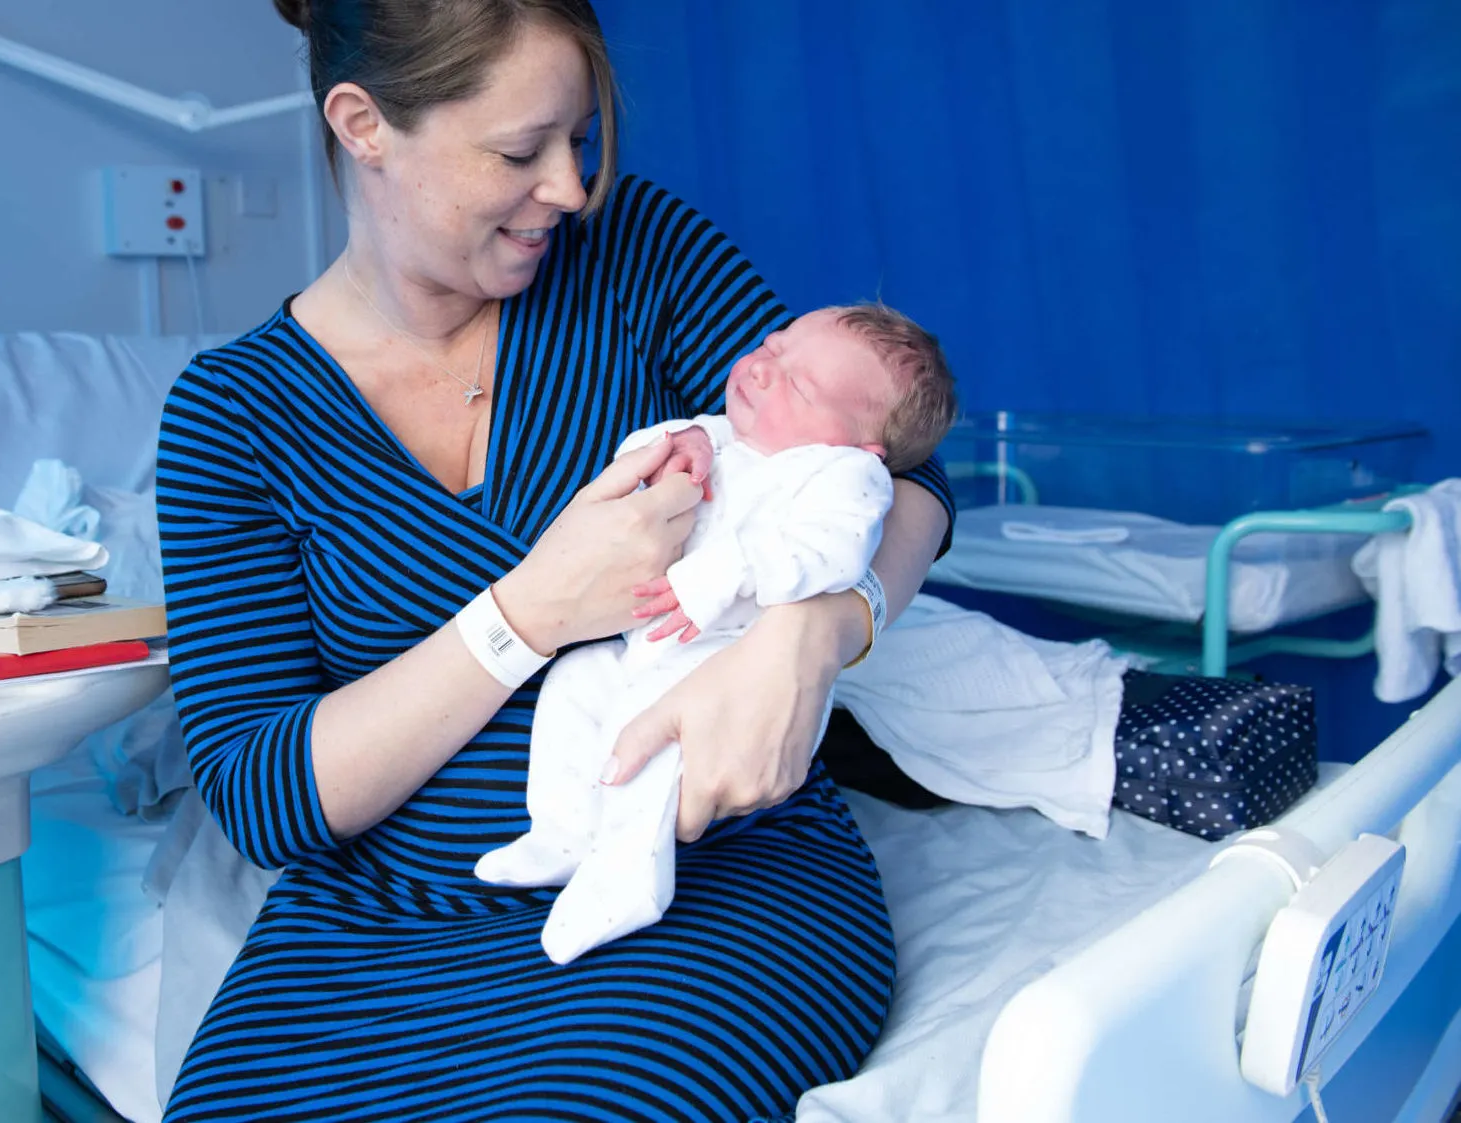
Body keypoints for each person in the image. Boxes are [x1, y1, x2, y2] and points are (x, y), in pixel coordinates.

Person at [155, 1, 956, 1118]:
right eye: (520, 151)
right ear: (362, 124)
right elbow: (257, 791)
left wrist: (816, 632)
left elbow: (898, 480)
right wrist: (526, 613)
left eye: (578, 141)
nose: (571, 188)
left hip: (706, 883)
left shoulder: (641, 256)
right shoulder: (234, 416)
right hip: (376, 936)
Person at [476, 303, 958, 966]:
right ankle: (559, 832)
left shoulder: (842, 477)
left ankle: (625, 875)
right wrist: (676, 448)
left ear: (860, 443)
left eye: (799, 384)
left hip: (730, 661)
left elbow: (834, 555)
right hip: (640, 645)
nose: (762, 368)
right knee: (573, 686)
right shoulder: (718, 432)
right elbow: (630, 464)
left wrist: (726, 571)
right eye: (773, 345)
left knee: (654, 743)